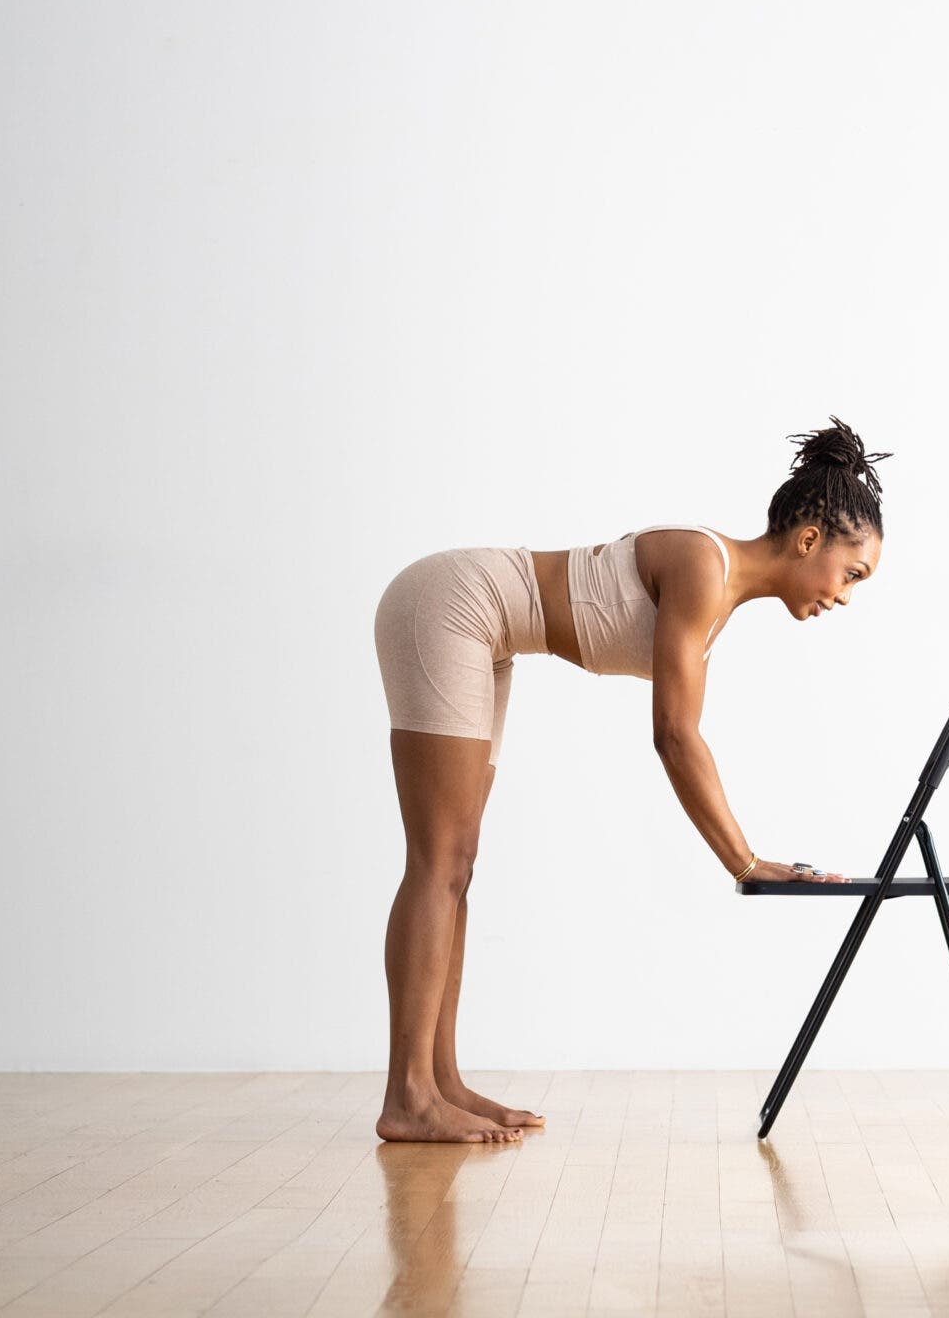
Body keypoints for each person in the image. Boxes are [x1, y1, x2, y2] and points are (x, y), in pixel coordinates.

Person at [368, 416, 891, 1142]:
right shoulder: (704, 568)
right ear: (809, 542)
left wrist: (747, 858)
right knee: (440, 860)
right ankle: (408, 1097)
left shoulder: (721, 594)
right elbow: (674, 736)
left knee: (457, 863)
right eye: (852, 573)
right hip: (451, 605)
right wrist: (745, 861)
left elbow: (685, 735)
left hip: (486, 631)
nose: (846, 596)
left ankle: (441, 1082)